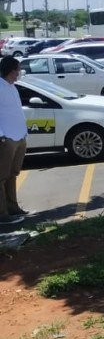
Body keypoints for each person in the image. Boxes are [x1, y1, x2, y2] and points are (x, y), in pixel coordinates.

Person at [0, 56, 28, 224]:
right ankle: (2, 214)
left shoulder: (12, 87)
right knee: (1, 176)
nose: (19, 72)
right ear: (11, 71)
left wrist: (24, 133)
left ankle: (13, 207)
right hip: (7, 139)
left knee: (13, 174)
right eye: (18, 69)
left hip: (19, 136)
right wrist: (2, 135)